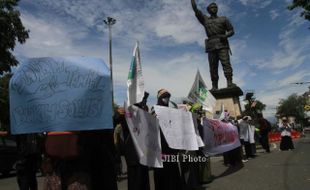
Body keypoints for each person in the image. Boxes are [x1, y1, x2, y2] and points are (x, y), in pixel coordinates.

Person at [191, 0, 236, 90]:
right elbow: (196, 10)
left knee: (226, 64)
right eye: (212, 7)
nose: (214, 8)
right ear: (208, 10)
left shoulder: (223, 19)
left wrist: (225, 35)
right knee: (213, 67)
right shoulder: (205, 19)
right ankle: (214, 86)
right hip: (211, 46)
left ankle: (229, 83)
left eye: (215, 7)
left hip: (222, 44)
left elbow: (231, 30)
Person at [152, 89, 183, 190]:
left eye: (168, 97)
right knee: (162, 176)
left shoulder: (171, 112)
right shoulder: (154, 110)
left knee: (173, 173)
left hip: (171, 149)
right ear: (159, 98)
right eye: (164, 97)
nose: (166, 99)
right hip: (160, 149)